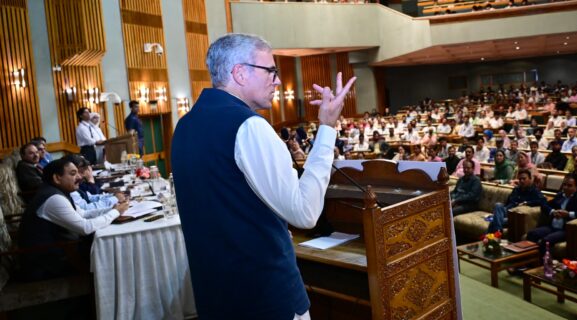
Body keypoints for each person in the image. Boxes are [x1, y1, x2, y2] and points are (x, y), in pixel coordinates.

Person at [171, 33, 357, 319]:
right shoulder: (248, 127)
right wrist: (327, 128)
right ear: (240, 73)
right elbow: (305, 212)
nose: (278, 80)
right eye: (270, 70)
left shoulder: (185, 126)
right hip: (265, 297)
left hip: (216, 295)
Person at [17, 157, 128, 281]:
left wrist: (111, 209)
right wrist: (115, 212)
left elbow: (83, 213)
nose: (80, 177)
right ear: (57, 178)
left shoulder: (58, 192)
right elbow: (85, 228)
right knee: (113, 254)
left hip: (61, 252)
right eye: (73, 174)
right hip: (45, 265)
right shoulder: (53, 199)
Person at [526, 175, 577, 246]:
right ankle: (531, 256)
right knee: (531, 234)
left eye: (569, 186)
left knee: (546, 241)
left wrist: (569, 214)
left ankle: (545, 257)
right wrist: (552, 212)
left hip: (565, 229)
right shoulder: (560, 195)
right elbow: (544, 205)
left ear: (576, 187)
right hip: (552, 227)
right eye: (564, 185)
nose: (565, 187)